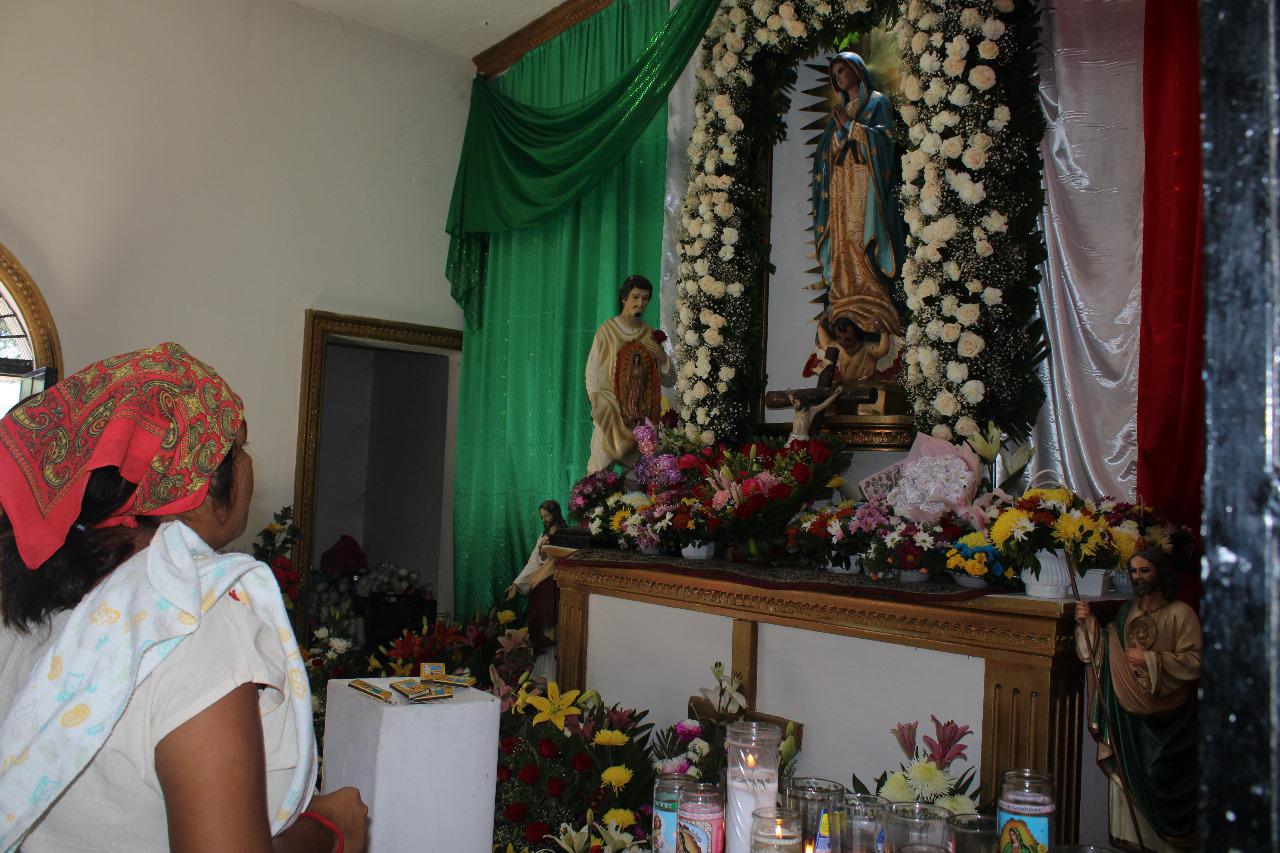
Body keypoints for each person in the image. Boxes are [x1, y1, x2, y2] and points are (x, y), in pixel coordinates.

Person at [0, 342, 368, 852]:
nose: (249, 465)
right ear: (196, 480)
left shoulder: (30, 602)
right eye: (238, 447)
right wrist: (330, 829)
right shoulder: (194, 622)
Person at [1075, 548, 1200, 851]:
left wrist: (1151, 660)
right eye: (1133, 571)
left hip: (1168, 725)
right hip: (1128, 719)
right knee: (1128, 786)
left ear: (1161, 573)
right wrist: (1089, 625)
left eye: (1145, 571)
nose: (1138, 577)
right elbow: (1108, 647)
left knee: (1159, 775)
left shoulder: (1181, 614)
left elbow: (1196, 662)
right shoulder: (1127, 612)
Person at [811, 52, 905, 386]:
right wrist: (838, 137)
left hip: (867, 192)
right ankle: (847, 293)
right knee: (845, 244)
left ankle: (872, 295)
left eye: (842, 70)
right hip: (842, 195)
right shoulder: (838, 112)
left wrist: (853, 129)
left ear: (856, 71)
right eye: (835, 74)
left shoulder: (877, 103)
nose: (839, 77)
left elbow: (886, 143)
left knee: (863, 241)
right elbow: (826, 158)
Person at [585, 275, 671, 472]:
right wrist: (598, 403)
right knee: (598, 473)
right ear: (624, 298)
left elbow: (668, 379)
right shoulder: (607, 331)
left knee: (638, 477)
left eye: (645, 298)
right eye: (635, 297)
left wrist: (661, 356)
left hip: (640, 420)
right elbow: (592, 371)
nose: (640, 303)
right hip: (611, 414)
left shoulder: (649, 335)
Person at [506, 500, 566, 681]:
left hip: (554, 589)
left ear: (556, 513)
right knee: (539, 627)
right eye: (542, 517)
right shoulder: (543, 535)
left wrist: (545, 572)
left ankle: (555, 676)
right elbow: (533, 562)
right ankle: (542, 674)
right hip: (540, 588)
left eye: (547, 515)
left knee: (551, 628)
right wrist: (516, 584)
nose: (545, 519)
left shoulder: (565, 534)